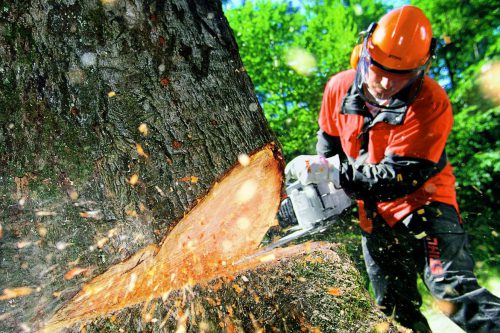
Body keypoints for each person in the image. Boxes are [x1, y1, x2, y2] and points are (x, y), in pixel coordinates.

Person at [285, 5, 500, 333]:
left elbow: (396, 179)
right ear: (365, 52)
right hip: (374, 218)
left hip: (426, 208)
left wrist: (334, 172)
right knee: (395, 312)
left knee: (453, 292)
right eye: (379, 69)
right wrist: (319, 181)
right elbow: (328, 150)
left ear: (421, 68)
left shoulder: (431, 103)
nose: (385, 82)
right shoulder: (338, 89)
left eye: (400, 76)